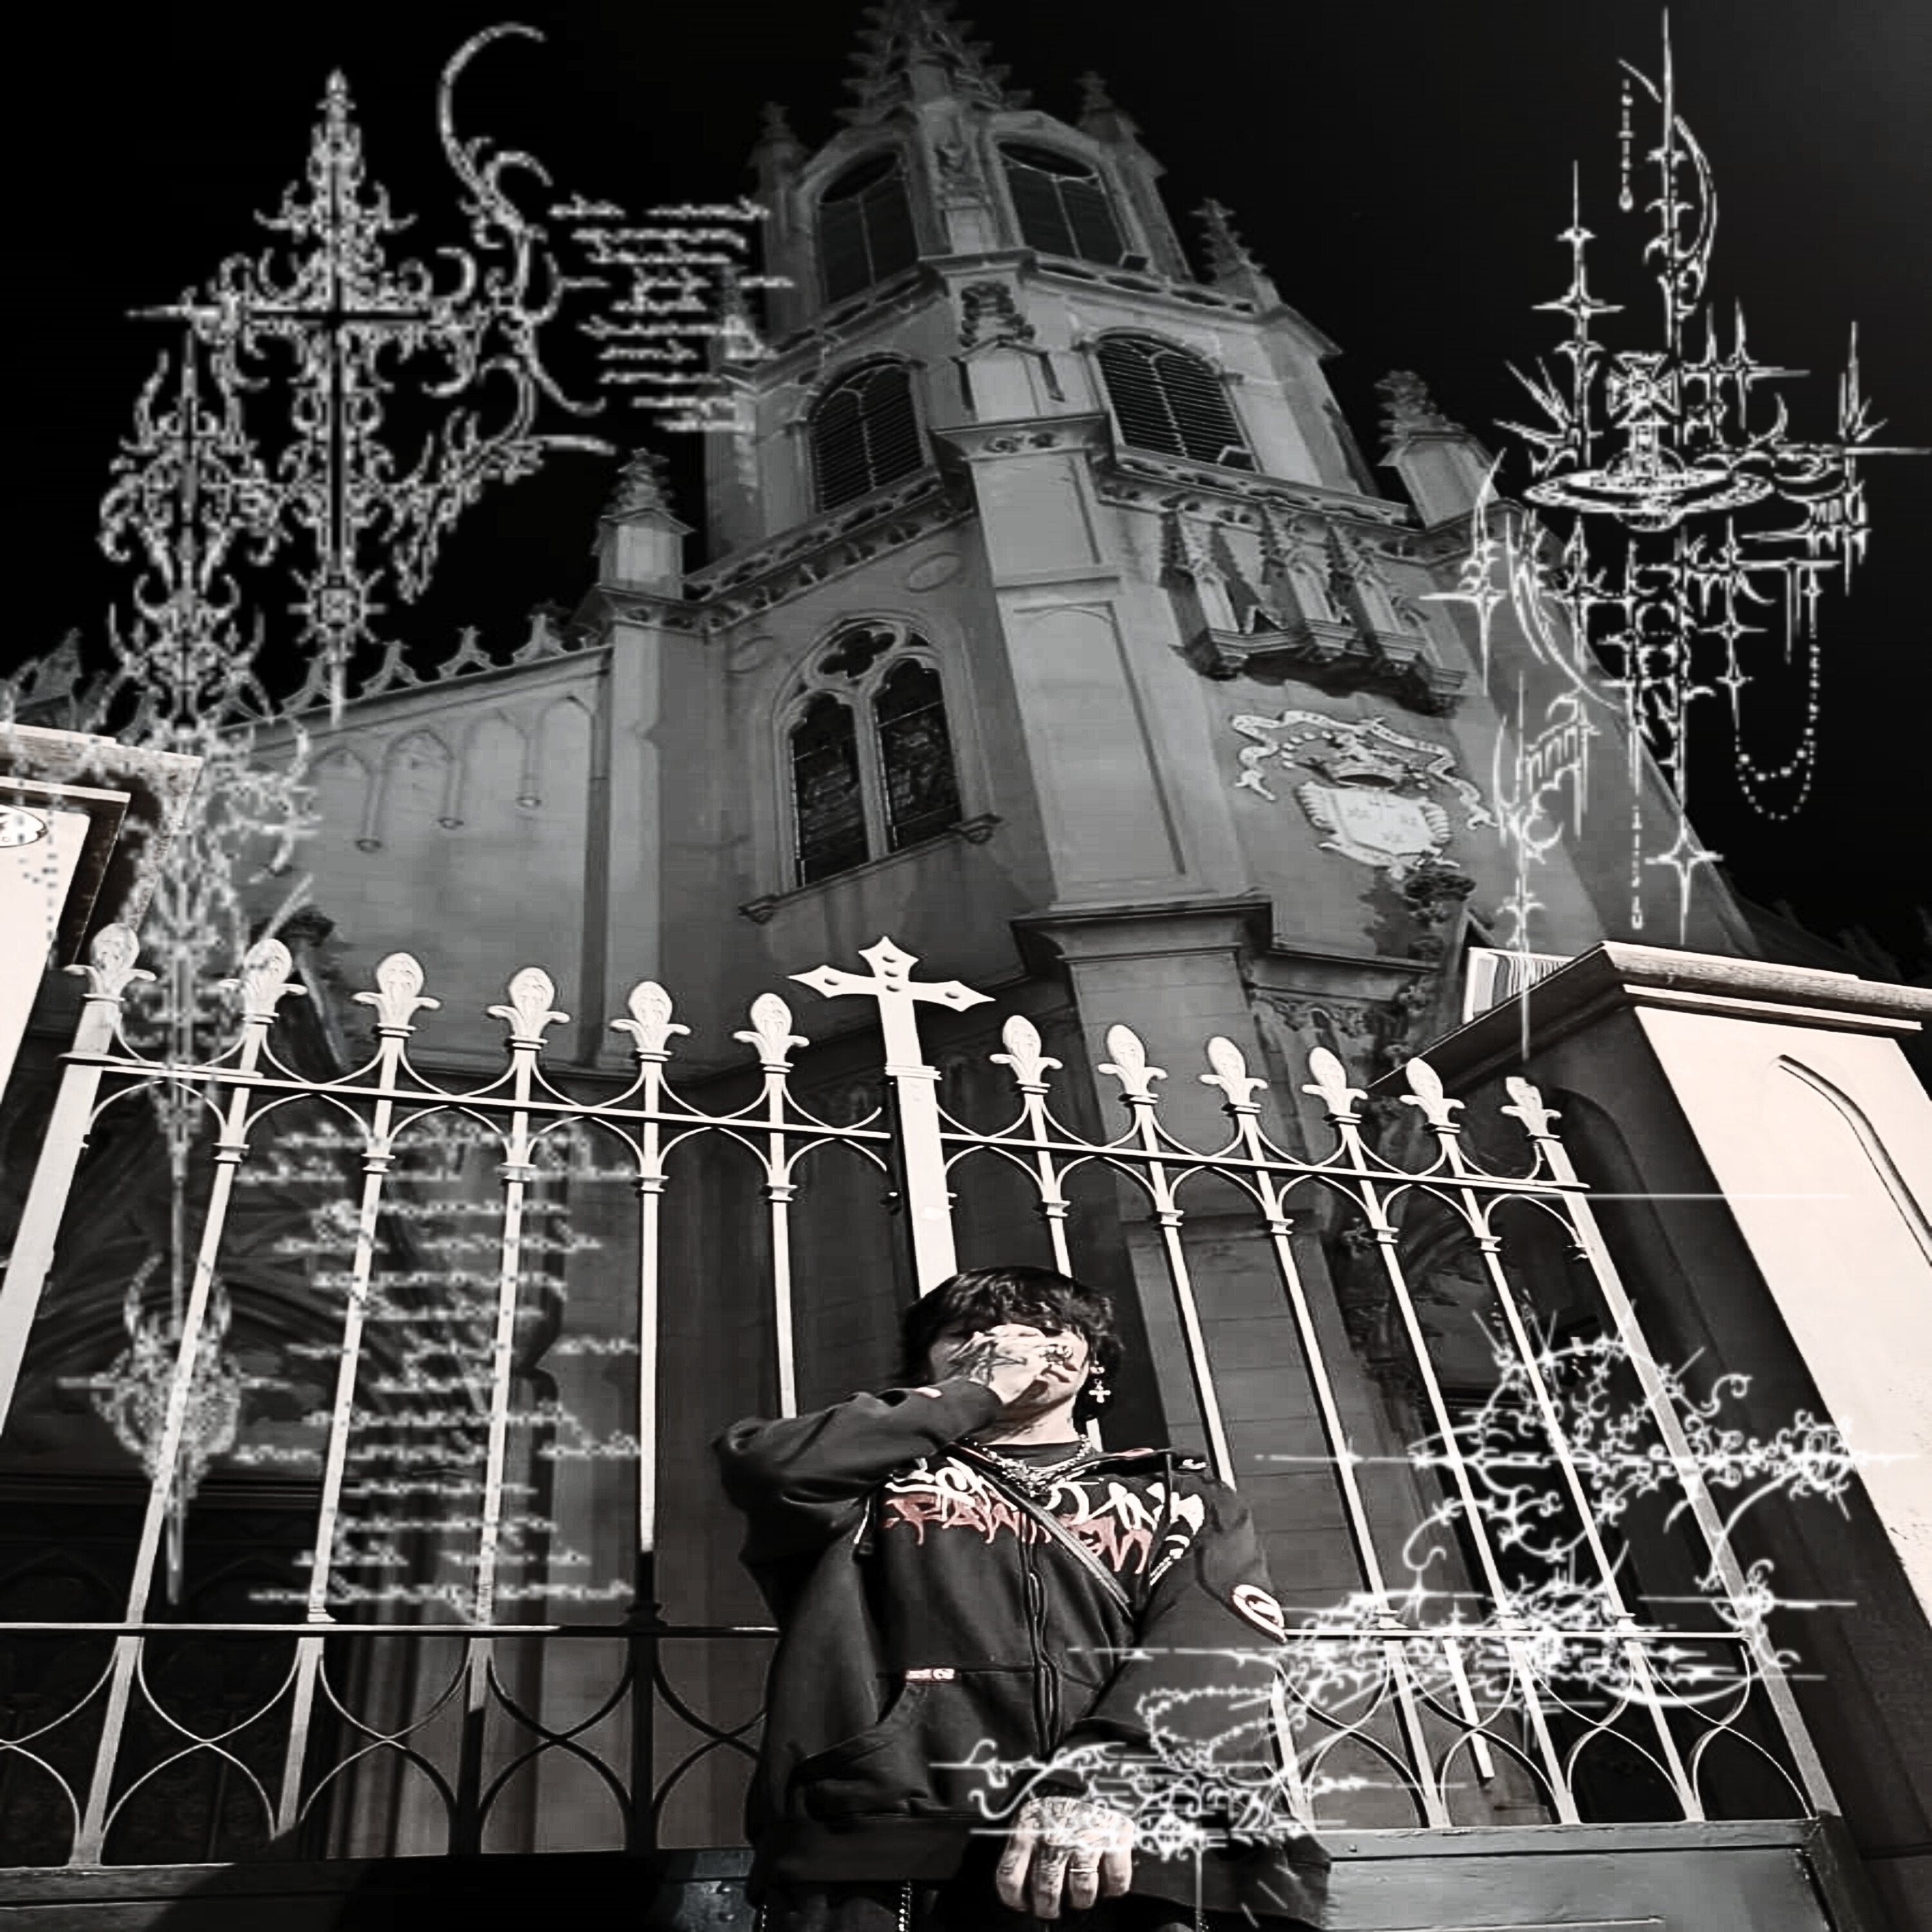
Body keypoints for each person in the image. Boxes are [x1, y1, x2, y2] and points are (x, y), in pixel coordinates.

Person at [714, 1264, 1331, 1931]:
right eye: (969, 1332)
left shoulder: (1177, 1496)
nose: (1011, 1340)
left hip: (1136, 1848)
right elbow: (770, 1467)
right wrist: (974, 1392)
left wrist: (1104, 1782)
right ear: (930, 1366)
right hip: (888, 1842)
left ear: (1093, 1364)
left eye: (1047, 1329)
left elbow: (1213, 1646)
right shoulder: (868, 1482)